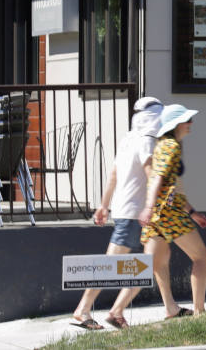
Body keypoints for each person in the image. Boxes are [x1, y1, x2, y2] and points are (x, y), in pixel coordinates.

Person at [70, 96, 164, 331]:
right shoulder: (146, 142)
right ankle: (83, 310)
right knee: (111, 265)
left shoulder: (127, 139)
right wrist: (152, 204)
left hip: (125, 210)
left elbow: (113, 175)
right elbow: (151, 172)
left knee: (153, 262)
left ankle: (119, 311)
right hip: (136, 212)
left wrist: (104, 206)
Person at [138, 104, 206, 319]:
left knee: (156, 264)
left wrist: (192, 212)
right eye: (188, 120)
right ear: (177, 123)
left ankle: (168, 308)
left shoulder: (162, 144)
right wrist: (149, 207)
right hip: (167, 213)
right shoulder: (172, 146)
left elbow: (172, 186)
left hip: (160, 214)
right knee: (201, 257)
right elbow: (158, 178)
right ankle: (199, 311)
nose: (191, 124)